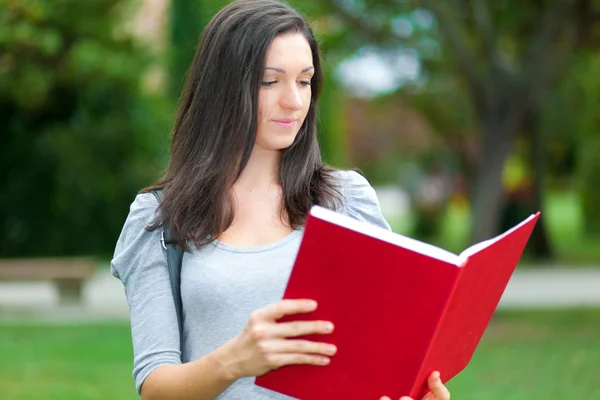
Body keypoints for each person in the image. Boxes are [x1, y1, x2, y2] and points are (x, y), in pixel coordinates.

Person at [111, 1, 452, 399]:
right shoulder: (159, 217)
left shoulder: (346, 200)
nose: (294, 101)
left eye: (304, 81)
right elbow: (155, 389)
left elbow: (388, 346)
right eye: (270, 82)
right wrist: (235, 360)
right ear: (222, 89)